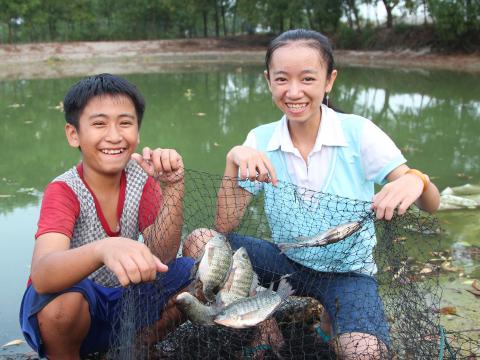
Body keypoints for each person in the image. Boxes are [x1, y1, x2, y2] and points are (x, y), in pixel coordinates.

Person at [185, 29, 440, 359]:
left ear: (329, 80)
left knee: (364, 353)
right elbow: (225, 224)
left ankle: (331, 318)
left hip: (350, 274)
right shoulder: (260, 140)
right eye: (281, 79)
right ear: (268, 81)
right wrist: (233, 161)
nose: (294, 92)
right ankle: (263, 326)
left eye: (307, 78)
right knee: (201, 240)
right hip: (286, 261)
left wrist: (417, 180)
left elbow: (432, 205)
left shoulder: (358, 133)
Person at [19, 73, 196, 359]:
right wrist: (103, 249)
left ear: (137, 133)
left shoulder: (142, 179)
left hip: (124, 302)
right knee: (62, 307)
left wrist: (173, 187)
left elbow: (163, 256)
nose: (114, 136)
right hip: (79, 310)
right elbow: (42, 274)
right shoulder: (64, 190)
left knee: (194, 276)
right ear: (73, 134)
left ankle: (138, 344)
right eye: (99, 124)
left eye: (125, 123)